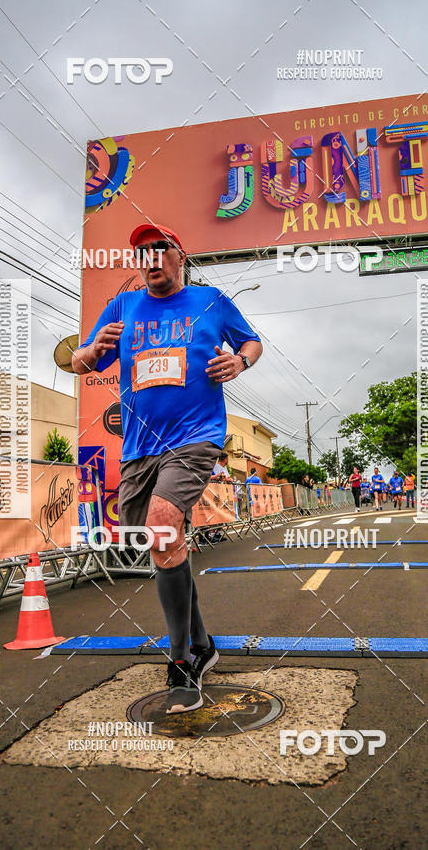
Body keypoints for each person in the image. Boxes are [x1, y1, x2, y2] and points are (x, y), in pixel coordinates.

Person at [72, 222, 262, 714]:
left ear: (180, 256)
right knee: (160, 544)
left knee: (161, 528)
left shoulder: (210, 300)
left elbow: (252, 343)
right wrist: (92, 352)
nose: (152, 257)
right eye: (142, 251)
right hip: (139, 446)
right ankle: (202, 643)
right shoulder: (123, 307)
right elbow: (80, 360)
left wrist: (239, 362)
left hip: (196, 437)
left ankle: (181, 662)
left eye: (161, 249)